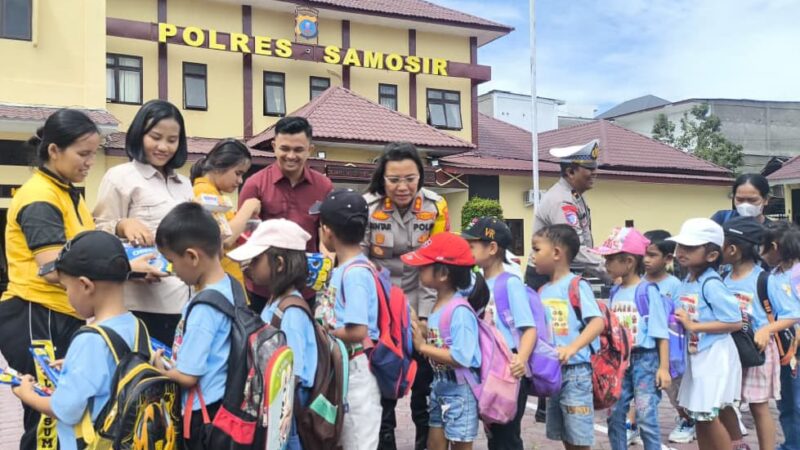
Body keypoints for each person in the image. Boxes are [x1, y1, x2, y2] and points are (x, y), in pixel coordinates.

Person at [0, 109, 102, 450]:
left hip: (62, 313)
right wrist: (114, 277)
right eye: (83, 154)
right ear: (54, 150)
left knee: (63, 409)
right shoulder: (40, 197)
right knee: (47, 412)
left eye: (93, 154)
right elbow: (51, 267)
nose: (89, 162)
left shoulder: (67, 191)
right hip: (35, 312)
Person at [11, 231, 142, 450]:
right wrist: (74, 365)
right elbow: (121, 367)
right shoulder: (136, 324)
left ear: (85, 285)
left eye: (66, 288)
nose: (67, 296)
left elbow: (67, 410)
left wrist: (27, 395)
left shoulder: (89, 340)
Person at [363, 142, 449, 450]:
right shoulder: (367, 206)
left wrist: (425, 315)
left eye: (410, 179)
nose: (402, 187)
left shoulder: (436, 206)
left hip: (422, 304)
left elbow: (439, 264)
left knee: (424, 389)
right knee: (383, 387)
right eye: (394, 179)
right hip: (381, 308)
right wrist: (385, 312)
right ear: (382, 178)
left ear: (421, 177)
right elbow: (362, 264)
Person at [94, 99, 194, 346]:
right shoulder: (120, 177)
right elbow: (97, 233)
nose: (163, 146)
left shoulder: (185, 184)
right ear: (139, 134)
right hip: (142, 305)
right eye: (155, 137)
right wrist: (122, 224)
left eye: (172, 140)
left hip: (185, 303)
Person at [151, 202, 236, 450]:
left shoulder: (204, 308)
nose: (171, 269)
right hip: (223, 398)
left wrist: (160, 369)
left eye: (172, 261)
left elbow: (188, 376)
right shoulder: (230, 286)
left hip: (202, 414)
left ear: (192, 256)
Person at [227, 219, 317, 450]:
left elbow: (291, 375)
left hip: (287, 423)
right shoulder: (274, 302)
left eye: (256, 260)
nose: (248, 267)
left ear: (278, 263)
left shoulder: (292, 311)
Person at [238, 116, 332, 314]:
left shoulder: (324, 186)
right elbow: (244, 237)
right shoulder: (254, 185)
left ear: (310, 150)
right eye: (284, 149)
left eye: (298, 150)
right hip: (263, 290)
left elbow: (325, 234)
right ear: (274, 146)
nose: (291, 156)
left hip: (305, 288)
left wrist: (328, 260)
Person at [721, 217, 799, 450]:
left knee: (768, 404)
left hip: (763, 351)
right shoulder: (724, 278)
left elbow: (792, 313)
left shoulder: (769, 279)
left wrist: (766, 329)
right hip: (736, 350)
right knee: (727, 401)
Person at [591, 227, 671, 450]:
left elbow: (660, 333)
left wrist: (663, 368)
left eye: (610, 260)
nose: (606, 265)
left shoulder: (648, 291)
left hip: (645, 360)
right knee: (614, 413)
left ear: (628, 262)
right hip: (620, 361)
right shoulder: (615, 291)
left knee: (646, 415)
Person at [314, 189, 381, 449]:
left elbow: (357, 330)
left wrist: (321, 333)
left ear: (327, 231)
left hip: (357, 368)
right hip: (345, 368)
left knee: (357, 440)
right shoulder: (344, 268)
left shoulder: (355, 274)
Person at [403, 232, 483, 450]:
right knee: (434, 443)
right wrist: (420, 329)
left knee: (460, 445)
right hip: (440, 385)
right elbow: (441, 340)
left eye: (424, 266)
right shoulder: (439, 305)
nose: (419, 270)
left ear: (444, 273)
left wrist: (422, 346)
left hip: (460, 390)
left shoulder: (459, 311)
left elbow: (461, 356)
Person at [670, 218, 743, 450]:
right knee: (699, 416)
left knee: (709, 416)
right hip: (697, 355)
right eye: (680, 246)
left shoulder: (711, 284)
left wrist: (695, 326)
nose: (681, 252)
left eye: (690, 247)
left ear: (711, 255)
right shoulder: (688, 280)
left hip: (715, 355)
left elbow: (735, 321)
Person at [462, 217, 535, 450]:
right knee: (494, 434)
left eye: (472, 245)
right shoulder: (476, 283)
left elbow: (529, 328)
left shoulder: (509, 283)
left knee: (507, 436)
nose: (468, 249)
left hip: (508, 368)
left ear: (492, 248)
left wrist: (520, 359)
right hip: (488, 367)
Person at [532, 224, 604, 450]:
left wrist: (572, 348)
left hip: (575, 372)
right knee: (565, 433)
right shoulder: (543, 291)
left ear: (556, 253)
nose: (532, 256)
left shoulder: (576, 285)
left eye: (536, 249)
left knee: (579, 436)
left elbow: (597, 322)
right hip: (553, 373)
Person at [531, 139, 606, 290]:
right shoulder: (562, 201)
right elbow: (572, 248)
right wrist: (608, 269)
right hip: (547, 276)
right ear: (570, 172)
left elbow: (583, 241)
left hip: (563, 274)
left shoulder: (574, 196)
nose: (594, 173)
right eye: (589, 168)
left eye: (595, 168)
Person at [643, 230, 694, 444]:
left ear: (668, 258)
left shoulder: (674, 286)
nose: (646, 259)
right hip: (644, 349)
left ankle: (689, 420)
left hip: (670, 351)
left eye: (652, 255)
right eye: (644, 254)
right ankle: (634, 424)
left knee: (675, 393)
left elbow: (677, 321)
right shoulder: (638, 283)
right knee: (641, 391)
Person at [190, 138, 262, 291]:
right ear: (219, 166)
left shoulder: (214, 193)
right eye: (237, 173)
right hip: (220, 286)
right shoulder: (205, 193)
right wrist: (248, 207)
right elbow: (225, 238)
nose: (240, 180)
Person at [760, 221, 800, 450]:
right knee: (786, 400)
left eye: (762, 247)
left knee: (794, 402)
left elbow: (794, 315)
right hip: (784, 347)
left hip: (793, 348)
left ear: (773, 247)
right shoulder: (774, 275)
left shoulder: (795, 274)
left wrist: (767, 329)